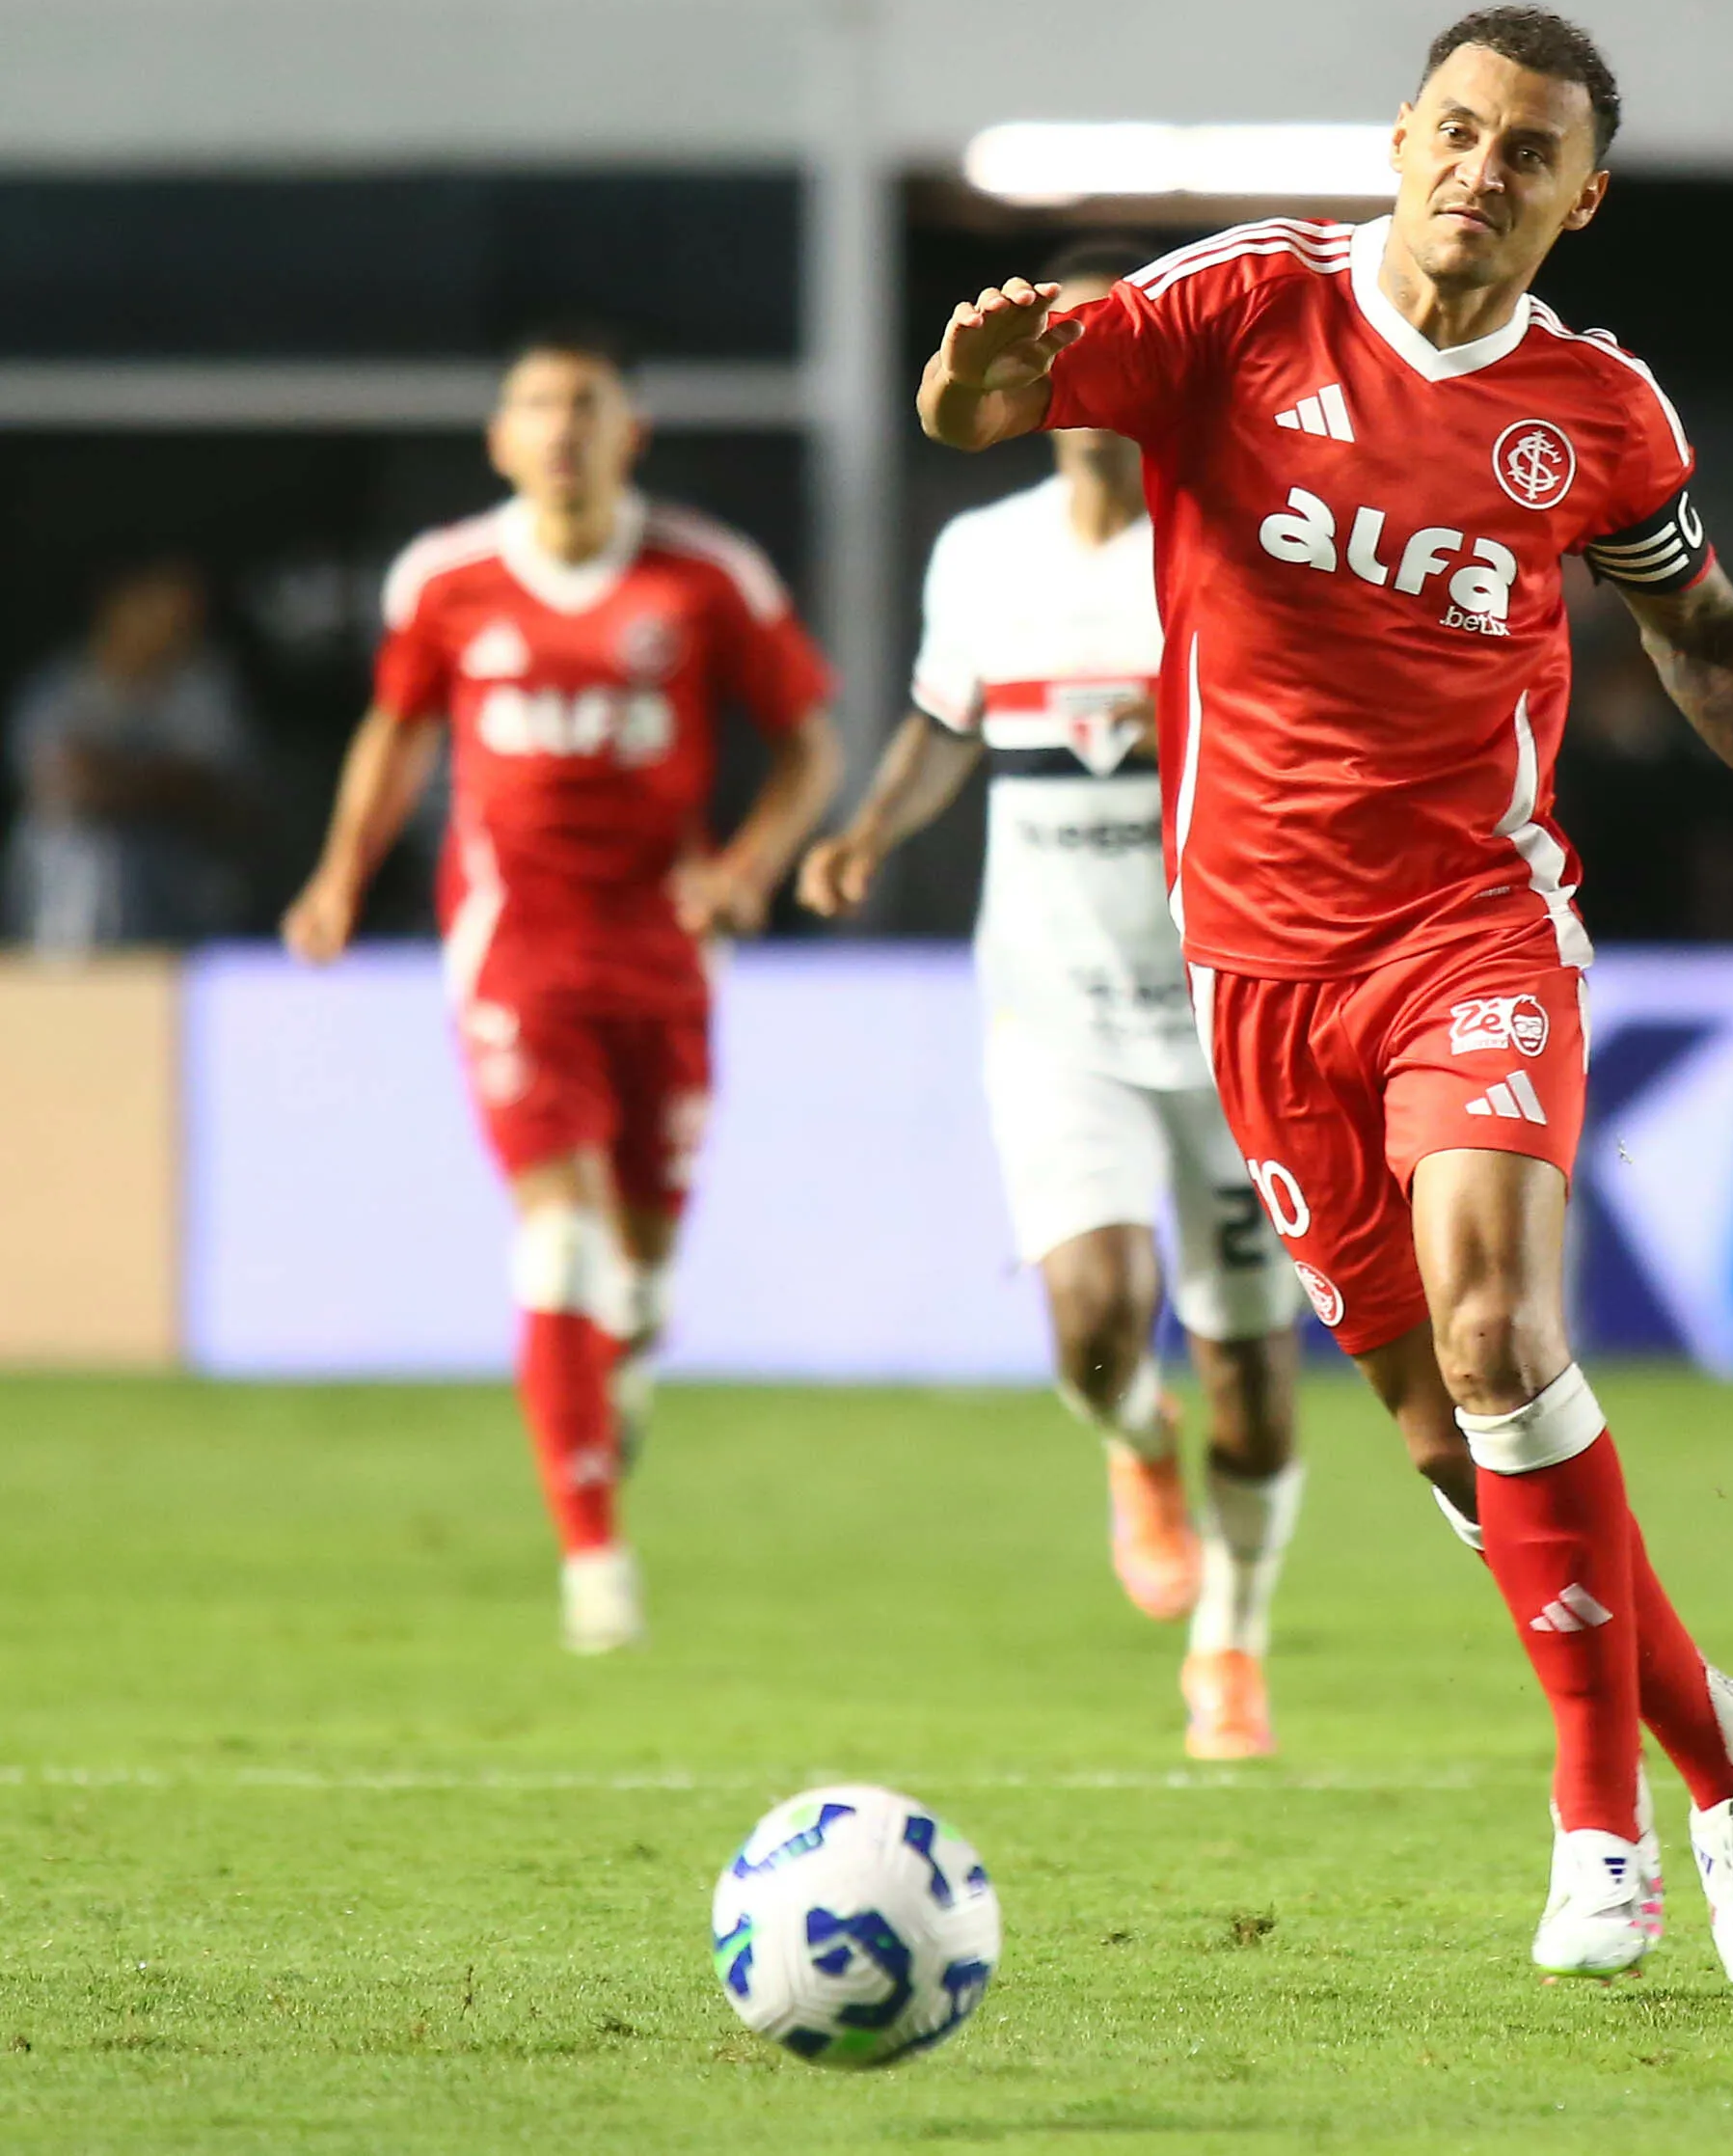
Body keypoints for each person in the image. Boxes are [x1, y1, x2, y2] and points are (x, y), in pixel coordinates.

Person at [916, 4, 1733, 1980]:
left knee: (1496, 1333)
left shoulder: (1595, 413)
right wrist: (962, 379)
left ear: (1579, 194)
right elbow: (997, 406)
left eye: (1526, 150)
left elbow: (1695, 625)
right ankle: (1724, 1745)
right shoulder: (1237, 310)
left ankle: (1598, 1828)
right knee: (1449, 1440)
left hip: (1473, 929)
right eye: (1455, 129)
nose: (1481, 168)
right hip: (1255, 963)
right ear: (1400, 139)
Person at [798, 262, 1309, 1761]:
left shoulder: (1234, 536)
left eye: (1099, 337)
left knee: (1256, 1373)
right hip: (1052, 1006)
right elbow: (948, 722)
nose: (1076, 367)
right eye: (1054, 343)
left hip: (1232, 1010)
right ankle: (1133, 1453)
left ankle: (1232, 1639)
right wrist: (868, 829)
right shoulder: (982, 553)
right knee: (1092, 1326)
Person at [283, 330, 840, 1655]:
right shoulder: (448, 578)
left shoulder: (705, 577)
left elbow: (808, 738)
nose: (559, 428)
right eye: (535, 405)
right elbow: (401, 726)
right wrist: (337, 874)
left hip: (661, 954)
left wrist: (750, 863)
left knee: (639, 1269)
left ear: (627, 432)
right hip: (514, 949)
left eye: (584, 405)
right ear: (499, 437)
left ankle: (626, 1352)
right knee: (559, 1238)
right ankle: (594, 1557)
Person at [6, 558, 253, 951]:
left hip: (182, 869)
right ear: (119, 607)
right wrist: (154, 781)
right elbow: (67, 789)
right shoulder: (58, 689)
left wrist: (115, 776)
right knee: (84, 853)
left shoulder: (203, 686)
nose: (176, 623)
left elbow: (214, 793)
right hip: (76, 882)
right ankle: (66, 987)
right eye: (162, 606)